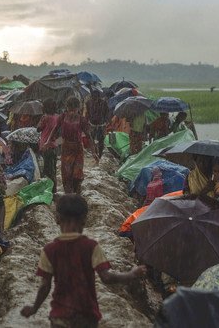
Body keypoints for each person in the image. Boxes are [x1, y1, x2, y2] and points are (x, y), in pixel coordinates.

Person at [21, 194, 146, 326]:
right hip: (86, 315)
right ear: (84, 220)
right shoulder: (91, 247)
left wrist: (34, 308)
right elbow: (107, 278)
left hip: (60, 316)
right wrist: (132, 274)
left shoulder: (49, 250)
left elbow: (45, 286)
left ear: (57, 219)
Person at [54, 97, 97, 194]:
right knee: (72, 173)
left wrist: (49, 141)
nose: (72, 112)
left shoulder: (67, 117)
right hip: (72, 148)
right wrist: (93, 151)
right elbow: (89, 136)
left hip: (71, 148)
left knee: (70, 173)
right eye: (72, 109)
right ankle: (73, 194)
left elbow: (55, 130)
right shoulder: (78, 119)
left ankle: (72, 193)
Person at [37, 98, 59, 193]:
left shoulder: (45, 118)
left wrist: (40, 119)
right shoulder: (57, 117)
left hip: (45, 146)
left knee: (46, 171)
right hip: (54, 146)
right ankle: (53, 190)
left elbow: (38, 129)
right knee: (52, 169)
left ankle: (50, 191)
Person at [85, 89, 110, 158]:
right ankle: (95, 153)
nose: (94, 99)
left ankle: (100, 155)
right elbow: (87, 113)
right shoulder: (88, 103)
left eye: (96, 97)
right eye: (93, 97)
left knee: (101, 140)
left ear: (99, 97)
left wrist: (105, 121)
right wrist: (87, 122)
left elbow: (107, 113)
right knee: (92, 139)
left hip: (101, 125)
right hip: (92, 124)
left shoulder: (104, 103)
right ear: (91, 97)